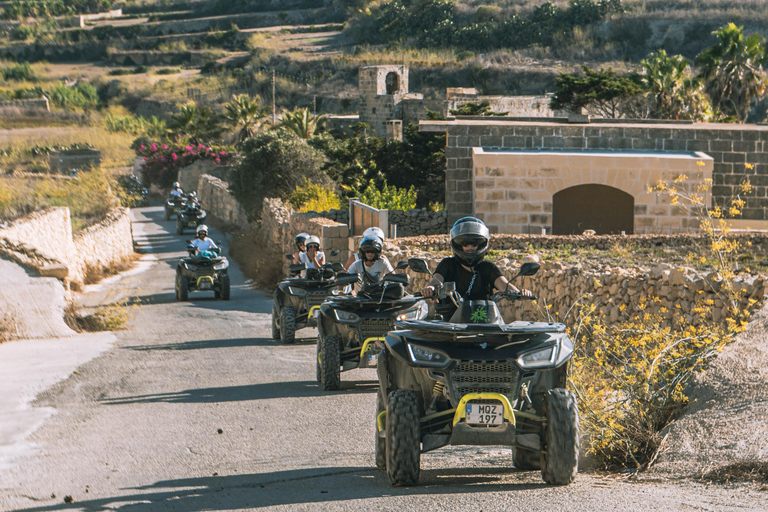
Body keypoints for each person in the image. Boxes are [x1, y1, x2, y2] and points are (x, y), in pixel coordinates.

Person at [421, 217, 531, 301]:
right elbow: (436, 280)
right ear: (458, 244)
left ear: (481, 244)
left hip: (485, 320)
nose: (470, 247)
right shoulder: (448, 264)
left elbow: (503, 285)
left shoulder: (488, 267)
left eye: (475, 243)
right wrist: (430, 288)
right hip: (452, 321)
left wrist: (519, 293)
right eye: (465, 243)